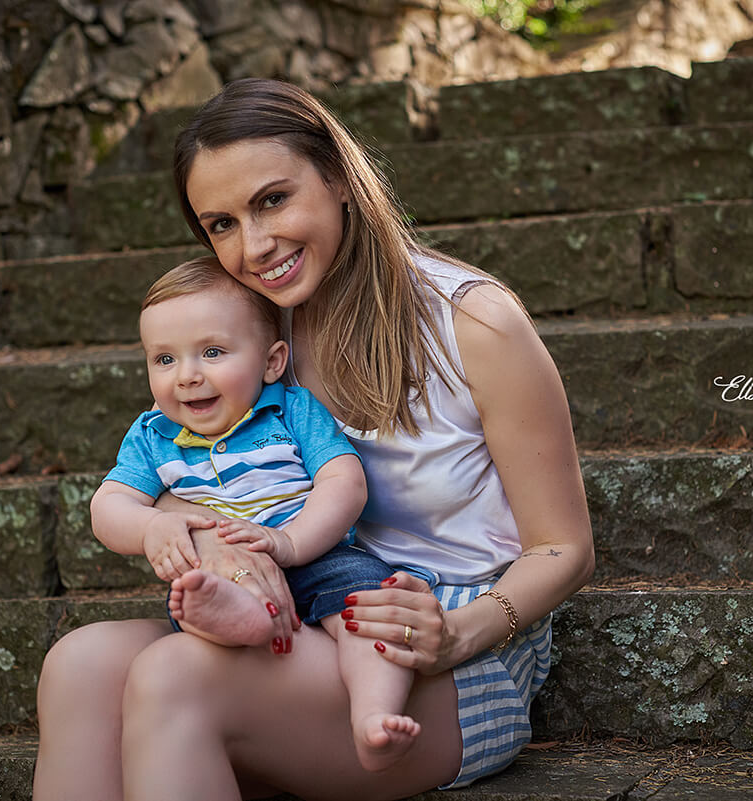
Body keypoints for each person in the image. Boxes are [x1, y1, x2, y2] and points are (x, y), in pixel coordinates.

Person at [33, 77, 595, 801]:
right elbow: (183, 478)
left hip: (446, 648)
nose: (255, 245)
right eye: (221, 223)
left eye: (271, 200)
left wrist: (459, 631)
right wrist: (219, 549)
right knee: (77, 663)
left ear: (337, 177)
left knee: (173, 676)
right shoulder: (256, 330)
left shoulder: (474, 322)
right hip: (305, 608)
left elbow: (565, 549)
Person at [91, 256, 423, 770]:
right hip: (221, 576)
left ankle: (373, 714)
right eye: (164, 360)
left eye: (213, 352)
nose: (187, 377)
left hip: (319, 557)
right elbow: (108, 507)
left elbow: (344, 481)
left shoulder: (291, 409)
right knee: (197, 597)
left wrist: (292, 541)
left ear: (272, 362)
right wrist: (154, 524)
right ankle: (240, 621)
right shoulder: (152, 435)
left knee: (367, 610)